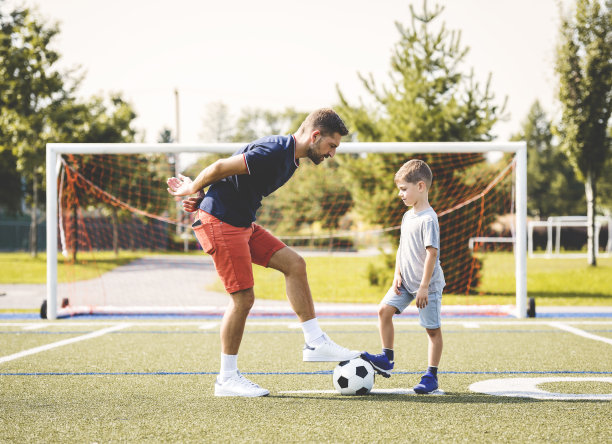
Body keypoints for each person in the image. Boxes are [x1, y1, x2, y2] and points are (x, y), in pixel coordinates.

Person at [167, 108, 360, 397]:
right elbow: (220, 167)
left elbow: (234, 181)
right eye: (331, 146)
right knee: (243, 299)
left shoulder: (291, 158)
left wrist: (205, 197)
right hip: (222, 223)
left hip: (240, 222)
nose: (332, 153)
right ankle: (226, 379)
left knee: (295, 264)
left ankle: (314, 341)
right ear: (315, 135)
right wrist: (194, 189)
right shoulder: (274, 151)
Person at [361, 159, 445, 394]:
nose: (400, 194)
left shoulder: (429, 219)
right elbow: (401, 248)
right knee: (383, 311)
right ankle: (387, 358)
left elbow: (432, 255)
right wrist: (396, 274)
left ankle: (431, 375)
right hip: (406, 282)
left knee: (432, 330)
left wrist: (424, 287)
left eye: (403, 189)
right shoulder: (408, 216)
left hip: (427, 286)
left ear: (420, 186)